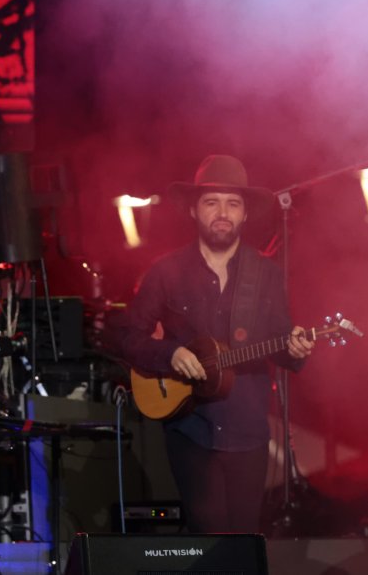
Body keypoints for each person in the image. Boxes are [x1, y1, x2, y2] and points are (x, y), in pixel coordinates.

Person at [114, 154, 314, 533]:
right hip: (189, 427)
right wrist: (170, 353)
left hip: (248, 429)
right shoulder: (167, 271)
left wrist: (297, 349)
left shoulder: (266, 275)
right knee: (207, 534)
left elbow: (282, 340)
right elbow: (127, 336)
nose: (223, 212)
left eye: (233, 203)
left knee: (242, 539)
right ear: (193, 209)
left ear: (244, 214)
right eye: (212, 202)